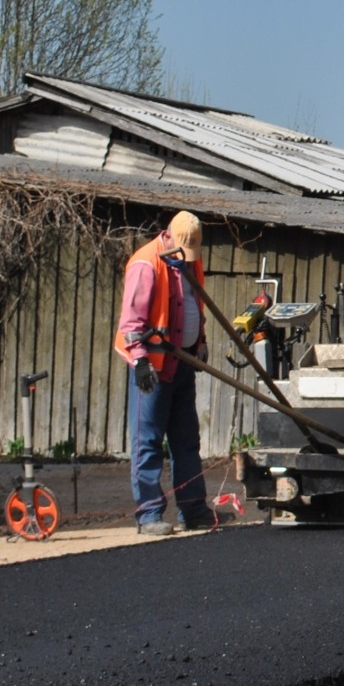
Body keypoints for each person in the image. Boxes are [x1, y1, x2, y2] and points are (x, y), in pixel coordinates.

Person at [118, 211, 222, 536]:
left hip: (183, 364)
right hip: (153, 367)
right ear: (171, 239)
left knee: (186, 440)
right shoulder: (145, 263)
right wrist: (141, 362)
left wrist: (200, 341)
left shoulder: (190, 262)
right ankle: (149, 515)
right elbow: (131, 323)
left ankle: (194, 510)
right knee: (148, 442)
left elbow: (194, 306)